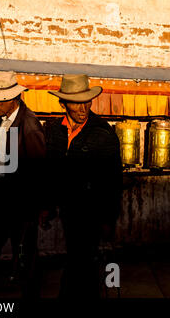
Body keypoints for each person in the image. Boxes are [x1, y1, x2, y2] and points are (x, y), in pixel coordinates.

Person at [0, 71, 47, 299]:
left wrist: (39, 206)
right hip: (2, 196)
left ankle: (29, 295)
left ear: (11, 99)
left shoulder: (30, 125)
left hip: (22, 200)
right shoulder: (0, 122)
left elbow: (39, 168)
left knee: (24, 255)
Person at [45, 74, 123, 298]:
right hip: (68, 210)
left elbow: (113, 181)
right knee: (77, 260)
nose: (83, 108)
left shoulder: (102, 133)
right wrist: (47, 205)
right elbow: (51, 172)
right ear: (63, 103)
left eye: (86, 101)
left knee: (81, 263)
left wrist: (109, 220)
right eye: (76, 102)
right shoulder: (55, 131)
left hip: (92, 211)